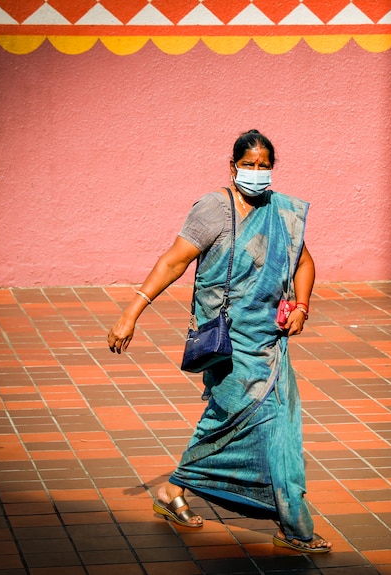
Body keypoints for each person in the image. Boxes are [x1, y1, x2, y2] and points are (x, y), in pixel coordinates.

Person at [107, 130, 332, 553]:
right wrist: (130, 313)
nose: (257, 173)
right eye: (249, 164)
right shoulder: (213, 208)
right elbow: (173, 262)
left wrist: (301, 306)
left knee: (280, 428)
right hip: (227, 342)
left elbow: (304, 261)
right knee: (227, 420)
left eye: (265, 165)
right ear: (232, 167)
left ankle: (283, 521)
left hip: (269, 343)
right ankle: (276, 519)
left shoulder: (282, 212)